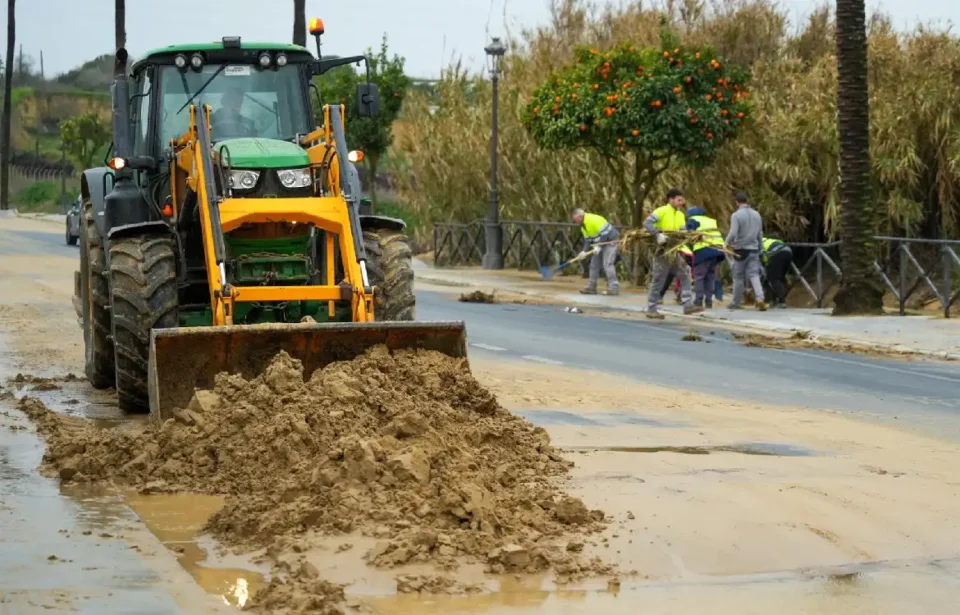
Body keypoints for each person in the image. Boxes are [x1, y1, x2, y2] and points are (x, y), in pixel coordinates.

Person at [643, 188, 700, 318]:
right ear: (671, 199)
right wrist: (657, 235)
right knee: (658, 279)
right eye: (679, 200)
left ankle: (688, 305)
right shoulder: (661, 211)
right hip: (662, 251)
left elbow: (682, 231)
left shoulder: (680, 214)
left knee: (685, 273)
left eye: (682, 200)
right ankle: (651, 308)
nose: (681, 202)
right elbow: (647, 223)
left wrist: (690, 235)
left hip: (675, 250)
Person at [724, 192, 766, 311]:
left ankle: (736, 302)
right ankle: (760, 298)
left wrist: (726, 243)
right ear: (748, 201)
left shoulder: (736, 215)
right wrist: (760, 248)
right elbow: (760, 233)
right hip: (754, 248)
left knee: (738, 276)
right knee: (754, 274)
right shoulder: (757, 214)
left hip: (740, 250)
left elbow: (733, 232)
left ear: (737, 202)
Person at [572, 208, 620, 296]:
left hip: (610, 241)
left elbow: (605, 234)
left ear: (580, 217)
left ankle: (614, 288)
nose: (575, 222)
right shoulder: (583, 226)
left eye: (576, 219)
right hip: (599, 244)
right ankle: (591, 287)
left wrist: (599, 246)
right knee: (594, 265)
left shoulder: (593, 219)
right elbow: (588, 240)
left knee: (608, 264)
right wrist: (584, 251)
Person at [685, 205, 726, 309]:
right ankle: (708, 301)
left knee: (699, 277)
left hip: (704, 250)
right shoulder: (711, 220)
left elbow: (688, 232)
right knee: (710, 277)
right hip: (717, 250)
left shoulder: (693, 220)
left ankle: (698, 301)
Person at [762, 236, 793, 308]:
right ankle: (775, 300)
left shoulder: (757, 244)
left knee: (774, 279)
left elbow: (761, 260)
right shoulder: (770, 240)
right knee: (780, 278)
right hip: (788, 252)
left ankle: (781, 302)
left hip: (776, 254)